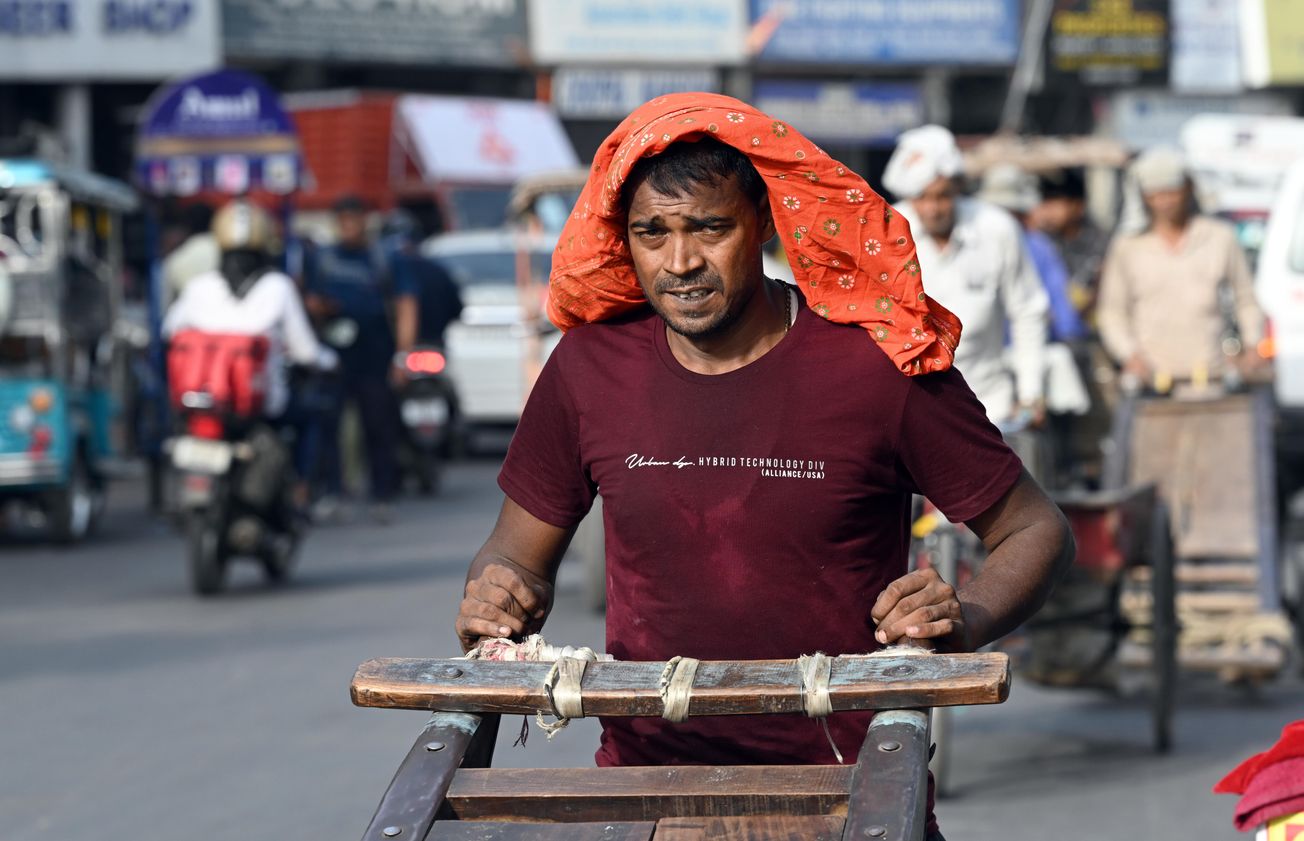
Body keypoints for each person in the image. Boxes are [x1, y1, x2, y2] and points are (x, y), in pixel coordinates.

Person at [453, 93, 1074, 841]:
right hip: (649, 802)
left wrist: (962, 620)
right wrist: (498, 595)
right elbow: (513, 555)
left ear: (765, 222)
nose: (680, 262)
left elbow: (1036, 528)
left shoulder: (878, 363)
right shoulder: (589, 368)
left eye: (709, 228)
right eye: (652, 233)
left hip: (853, 794)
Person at [163, 200, 338, 506]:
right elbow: (307, 352)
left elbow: (169, 332)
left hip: (201, 399)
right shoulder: (278, 286)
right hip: (261, 405)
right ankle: (301, 489)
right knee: (311, 418)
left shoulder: (199, 287)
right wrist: (329, 362)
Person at [882, 125, 1050, 426]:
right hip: (912, 407)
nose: (933, 209)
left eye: (942, 196)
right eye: (922, 198)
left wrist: (1031, 393)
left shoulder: (996, 228)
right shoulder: (887, 233)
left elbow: (1027, 310)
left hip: (989, 404)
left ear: (957, 188)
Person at [1097, 147, 1266, 388]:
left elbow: (1246, 299)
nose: (1164, 201)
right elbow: (1112, 312)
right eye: (1155, 194)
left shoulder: (1219, 237)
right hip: (1152, 382)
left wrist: (1252, 344)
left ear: (1187, 188)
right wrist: (1129, 355)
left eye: (1171, 191)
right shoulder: (1128, 247)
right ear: (1144, 197)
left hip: (1212, 376)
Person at [303, 195, 413, 521]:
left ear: (365, 220)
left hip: (376, 356)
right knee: (328, 426)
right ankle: (333, 493)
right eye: (343, 220)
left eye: (354, 219)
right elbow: (308, 300)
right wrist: (320, 309)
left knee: (378, 426)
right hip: (334, 358)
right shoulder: (323, 259)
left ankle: (382, 495)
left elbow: (407, 305)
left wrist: (402, 356)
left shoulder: (384, 258)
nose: (348, 226)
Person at [978, 164, 1087, 344]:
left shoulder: (1039, 247)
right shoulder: (968, 245)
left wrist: (1070, 335)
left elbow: (1061, 304)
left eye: (1010, 213)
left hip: (1030, 345)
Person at [380, 210, 463, 355]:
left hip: (402, 350)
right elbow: (457, 309)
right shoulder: (437, 270)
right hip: (429, 344)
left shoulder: (381, 271)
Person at [1034, 168, 1109, 322]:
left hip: (1094, 332)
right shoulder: (1042, 242)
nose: (1048, 210)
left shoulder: (1102, 241)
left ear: (1077, 205)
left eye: (1056, 201)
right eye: (1045, 201)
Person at [162, 203, 219, 305]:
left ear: (187, 226)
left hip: (189, 317)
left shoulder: (175, 260)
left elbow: (167, 305)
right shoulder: (226, 254)